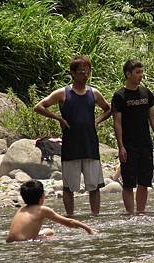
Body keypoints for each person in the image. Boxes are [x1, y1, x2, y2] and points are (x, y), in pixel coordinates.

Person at [34, 55, 111, 216]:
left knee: (94, 185)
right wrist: (58, 118)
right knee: (68, 187)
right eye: (82, 71)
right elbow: (39, 107)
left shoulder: (94, 92)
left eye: (87, 71)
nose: (85, 74)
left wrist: (97, 121)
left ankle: (95, 216)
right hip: (70, 145)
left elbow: (108, 109)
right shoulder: (63, 93)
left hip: (90, 144)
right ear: (73, 73)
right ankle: (70, 216)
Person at [111, 59, 154, 214]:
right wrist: (121, 146)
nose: (141, 75)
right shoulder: (119, 96)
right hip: (129, 145)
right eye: (137, 72)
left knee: (144, 181)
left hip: (145, 144)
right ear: (128, 74)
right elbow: (117, 122)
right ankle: (130, 214)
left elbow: (152, 117)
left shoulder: (146, 92)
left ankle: (140, 213)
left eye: (142, 72)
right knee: (128, 183)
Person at [6, 180, 95, 243]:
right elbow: (69, 222)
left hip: (11, 242)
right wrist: (89, 229)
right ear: (42, 197)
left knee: (49, 231)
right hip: (24, 243)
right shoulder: (42, 210)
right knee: (61, 238)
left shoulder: (21, 209)